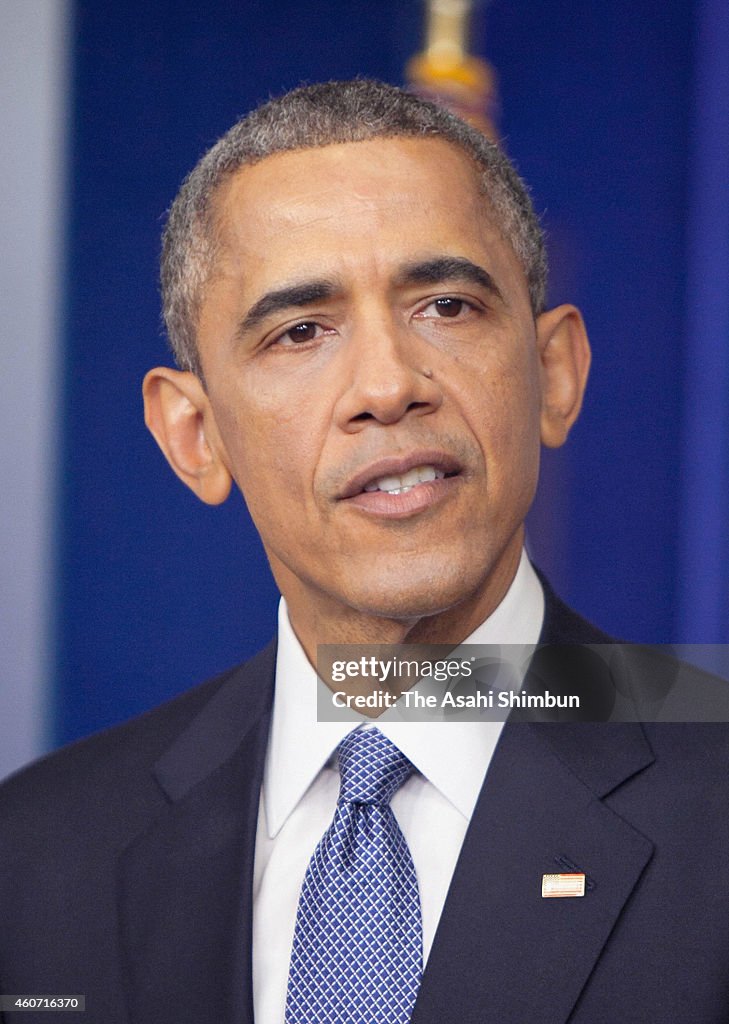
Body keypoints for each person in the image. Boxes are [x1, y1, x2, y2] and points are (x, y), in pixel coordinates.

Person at [0, 79, 727, 1024]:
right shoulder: (35, 856)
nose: (386, 386)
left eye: (447, 307)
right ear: (194, 435)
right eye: (300, 331)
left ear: (553, 374)